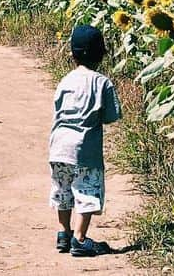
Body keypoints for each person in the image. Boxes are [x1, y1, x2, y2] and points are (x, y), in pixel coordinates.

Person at [49, 23, 122, 257]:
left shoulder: (65, 81)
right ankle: (80, 239)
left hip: (58, 146)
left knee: (63, 190)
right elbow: (111, 116)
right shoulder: (102, 82)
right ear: (102, 54)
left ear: (71, 54)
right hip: (85, 149)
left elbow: (57, 109)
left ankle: (64, 233)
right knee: (87, 192)